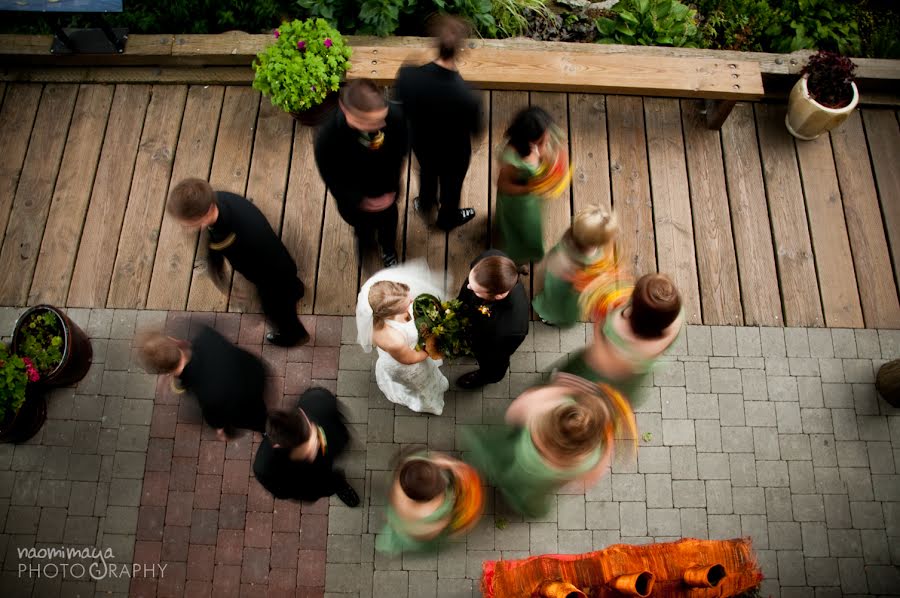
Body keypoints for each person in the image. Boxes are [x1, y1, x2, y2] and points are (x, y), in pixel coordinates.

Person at [166, 178, 308, 347]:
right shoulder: (220, 198)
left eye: (188, 224)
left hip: (269, 275)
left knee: (275, 309)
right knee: (289, 285)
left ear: (205, 214)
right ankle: (296, 290)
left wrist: (224, 283)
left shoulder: (227, 235)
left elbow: (217, 250)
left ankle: (294, 334)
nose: (184, 228)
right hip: (280, 260)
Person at [460, 379, 615, 518]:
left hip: (517, 461)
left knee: (500, 464)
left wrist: (565, 389)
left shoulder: (540, 409)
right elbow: (586, 482)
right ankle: (527, 508)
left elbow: (513, 413)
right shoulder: (592, 458)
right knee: (530, 497)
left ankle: (488, 474)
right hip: (539, 484)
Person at [395, 14, 483, 231]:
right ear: (461, 50)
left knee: (426, 175)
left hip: (422, 144)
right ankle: (448, 218)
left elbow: (402, 109)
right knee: (452, 188)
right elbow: (476, 131)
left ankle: (425, 205)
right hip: (454, 153)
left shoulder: (408, 76)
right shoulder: (467, 96)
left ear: (435, 43)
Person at [314, 78, 408, 268]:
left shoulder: (395, 117)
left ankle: (388, 248)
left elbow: (402, 150)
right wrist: (361, 201)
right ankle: (366, 244)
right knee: (362, 228)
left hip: (387, 191)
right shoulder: (328, 137)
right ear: (345, 109)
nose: (380, 126)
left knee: (389, 225)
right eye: (369, 122)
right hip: (355, 202)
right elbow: (332, 178)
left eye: (381, 118)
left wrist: (391, 190)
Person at [558, 273, 684, 406]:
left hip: (601, 374)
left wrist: (601, 319)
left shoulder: (618, 329)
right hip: (631, 382)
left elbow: (602, 357)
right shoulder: (676, 322)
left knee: (566, 392)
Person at [135, 327, 268, 439]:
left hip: (247, 401)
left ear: (164, 373)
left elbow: (215, 418)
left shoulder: (205, 393)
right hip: (253, 368)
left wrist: (220, 429)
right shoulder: (206, 335)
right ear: (172, 340)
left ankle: (266, 430)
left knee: (257, 417)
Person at [357, 260, 450, 414]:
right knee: (422, 383)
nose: (412, 301)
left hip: (407, 350)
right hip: (407, 362)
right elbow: (410, 359)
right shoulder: (394, 340)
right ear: (391, 313)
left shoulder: (382, 302)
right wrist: (430, 349)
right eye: (407, 304)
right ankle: (427, 404)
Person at [252, 387, 360, 507]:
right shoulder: (265, 470)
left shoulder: (318, 399)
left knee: (334, 476)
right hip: (312, 481)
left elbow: (340, 429)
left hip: (327, 463)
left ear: (303, 415)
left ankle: (338, 483)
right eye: (307, 447)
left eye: (312, 433)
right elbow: (293, 492)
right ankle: (336, 486)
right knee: (330, 483)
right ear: (281, 446)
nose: (316, 443)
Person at [376, 450, 484, 554]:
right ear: (424, 500)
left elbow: (429, 459)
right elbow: (422, 532)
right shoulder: (420, 512)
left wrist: (451, 464)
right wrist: (443, 524)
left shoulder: (410, 471)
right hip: (410, 529)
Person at [494, 106, 564, 265]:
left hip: (533, 199)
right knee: (519, 232)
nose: (546, 141)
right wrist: (531, 189)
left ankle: (531, 251)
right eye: (541, 141)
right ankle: (515, 261)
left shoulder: (542, 133)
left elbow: (552, 149)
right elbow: (503, 185)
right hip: (519, 203)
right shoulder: (512, 159)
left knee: (533, 229)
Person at [533, 207, 618, 328]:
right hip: (573, 288)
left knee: (557, 304)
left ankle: (552, 317)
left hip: (568, 290)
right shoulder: (599, 253)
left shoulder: (569, 256)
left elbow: (545, 270)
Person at [456, 250, 530, 389]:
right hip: (474, 321)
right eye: (471, 280)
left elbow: (498, 354)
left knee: (492, 366)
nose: (468, 287)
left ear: (498, 296)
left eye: (476, 290)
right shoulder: (489, 258)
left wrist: (476, 347)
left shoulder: (512, 328)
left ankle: (484, 377)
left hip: (490, 346)